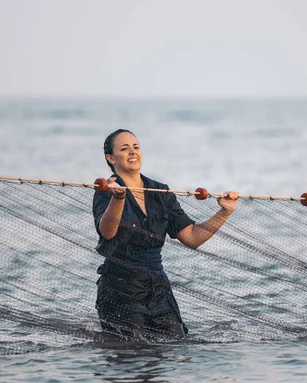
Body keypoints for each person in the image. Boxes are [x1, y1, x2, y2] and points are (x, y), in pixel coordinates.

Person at [93, 129, 238, 340]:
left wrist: (224, 211)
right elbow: (107, 233)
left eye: (136, 147)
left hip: (158, 289)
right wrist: (118, 198)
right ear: (110, 158)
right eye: (124, 149)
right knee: (132, 352)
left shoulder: (160, 191)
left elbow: (192, 237)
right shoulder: (105, 190)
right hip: (120, 288)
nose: (133, 152)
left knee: (177, 343)